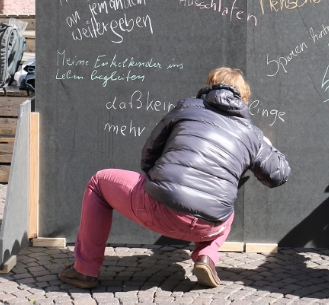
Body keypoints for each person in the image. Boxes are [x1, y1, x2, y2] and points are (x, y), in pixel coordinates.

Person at [58, 67, 291, 289]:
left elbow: (149, 154)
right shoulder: (252, 135)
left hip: (160, 208)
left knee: (99, 182)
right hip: (208, 226)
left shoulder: (187, 107)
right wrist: (267, 145)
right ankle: (207, 256)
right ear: (244, 97)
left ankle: (85, 269)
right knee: (226, 210)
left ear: (209, 86)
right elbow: (278, 176)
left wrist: (160, 180)